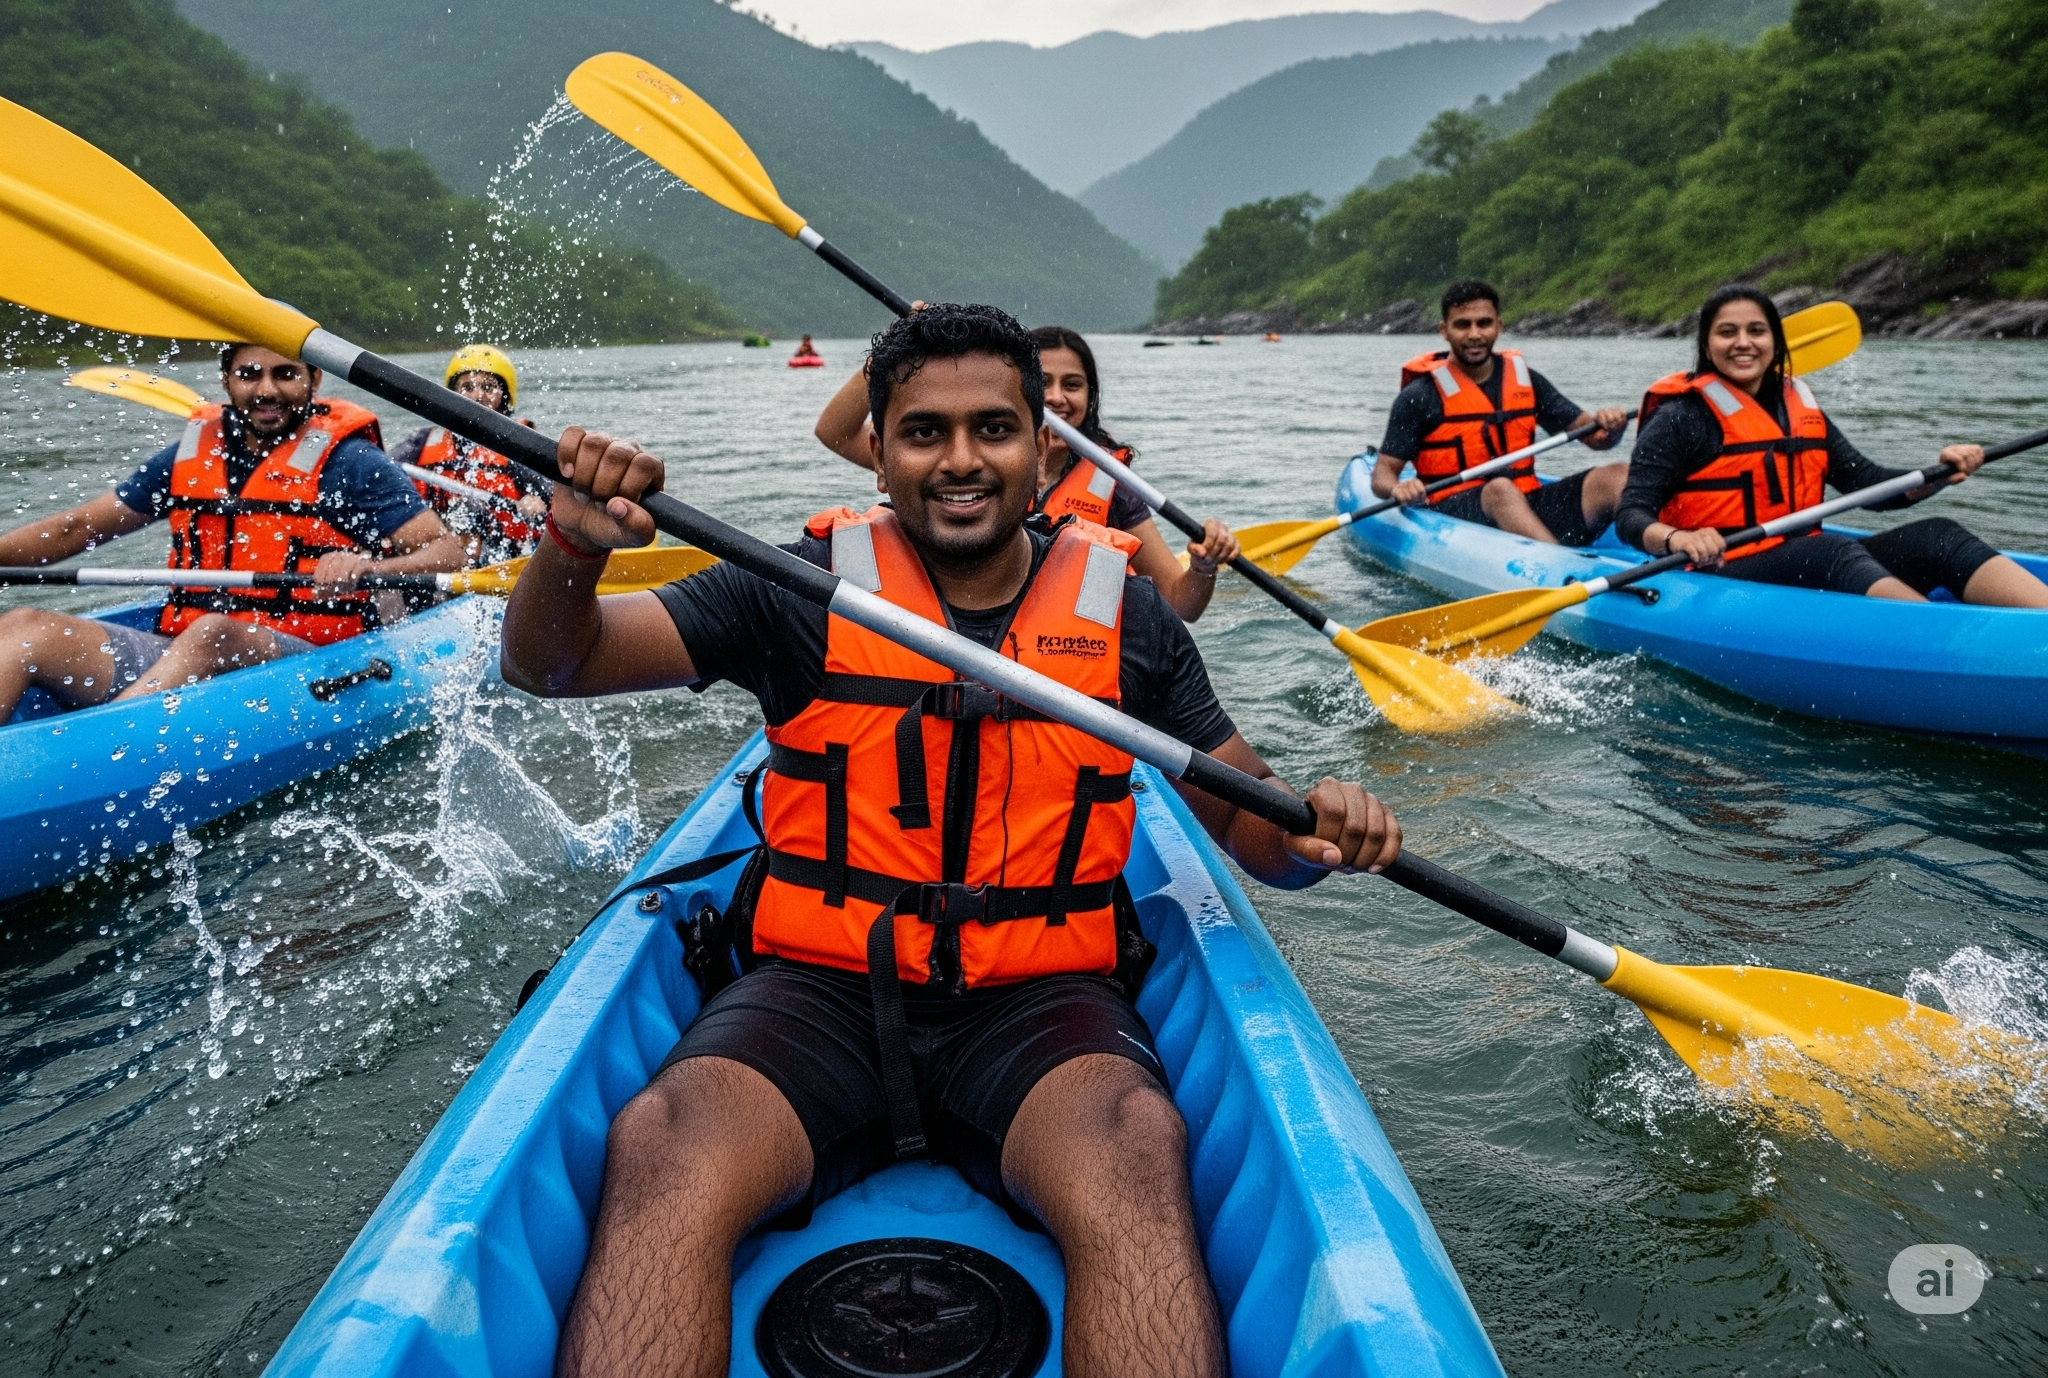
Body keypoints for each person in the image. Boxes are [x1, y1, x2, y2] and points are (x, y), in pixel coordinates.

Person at [500, 302, 1401, 1378]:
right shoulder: (794, 589)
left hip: (1037, 1003)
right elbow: (553, 666)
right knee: (664, 1140)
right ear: (877, 450)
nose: (962, 459)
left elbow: (1244, 817)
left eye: (994, 428)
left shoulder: (1128, 615)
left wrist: (1311, 831)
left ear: (1043, 448)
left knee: (1136, 1150)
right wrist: (570, 546)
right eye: (925, 431)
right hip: (820, 991)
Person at [0, 343, 465, 722]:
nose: (267, 390)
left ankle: (102, 754)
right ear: (226, 380)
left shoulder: (351, 462)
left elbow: (447, 553)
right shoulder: (189, 456)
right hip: (180, 649)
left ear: (314, 379)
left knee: (215, 633)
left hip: (306, 658)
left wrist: (369, 567)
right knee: (24, 627)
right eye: (249, 375)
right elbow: (75, 528)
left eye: (285, 374)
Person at [1618, 284, 2048, 603]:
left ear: (1775, 342)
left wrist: (1939, 474)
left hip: (1804, 557)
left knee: (1938, 536)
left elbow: (1869, 485)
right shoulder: (1680, 417)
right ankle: (1946, 646)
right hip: (1716, 567)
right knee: (1826, 551)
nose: (1743, 343)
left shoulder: (1799, 409)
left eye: (1757, 331)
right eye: (1727, 332)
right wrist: (1677, 539)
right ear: (1707, 345)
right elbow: (1631, 515)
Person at [817, 322, 1241, 621]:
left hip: (1067, 651)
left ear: (1090, 396)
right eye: (1045, 382)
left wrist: (1203, 568)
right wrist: (899, 352)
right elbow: (834, 432)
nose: (1056, 398)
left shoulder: (1111, 482)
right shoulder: (936, 464)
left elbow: (1179, 606)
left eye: (1072, 385)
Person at [1370, 279, 1631, 546]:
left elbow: (1594, 438)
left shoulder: (1526, 381)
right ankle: (1557, 560)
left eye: (1484, 323)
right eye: (1463, 325)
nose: (1474, 334)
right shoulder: (1419, 396)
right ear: (1444, 331)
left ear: (1499, 326)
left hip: (1527, 501)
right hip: (1454, 513)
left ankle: (1657, 547)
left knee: (1617, 476)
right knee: (1500, 490)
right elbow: (1382, 474)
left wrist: (1611, 429)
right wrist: (1397, 488)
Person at [391, 344, 550, 561]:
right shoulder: (422, 442)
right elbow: (384, 470)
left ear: (504, 396)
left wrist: (537, 502)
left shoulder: (522, 443)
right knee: (462, 510)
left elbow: (555, 497)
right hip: (442, 549)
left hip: (504, 555)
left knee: (469, 509)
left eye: (488, 387)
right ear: (452, 395)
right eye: (467, 387)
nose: (478, 396)